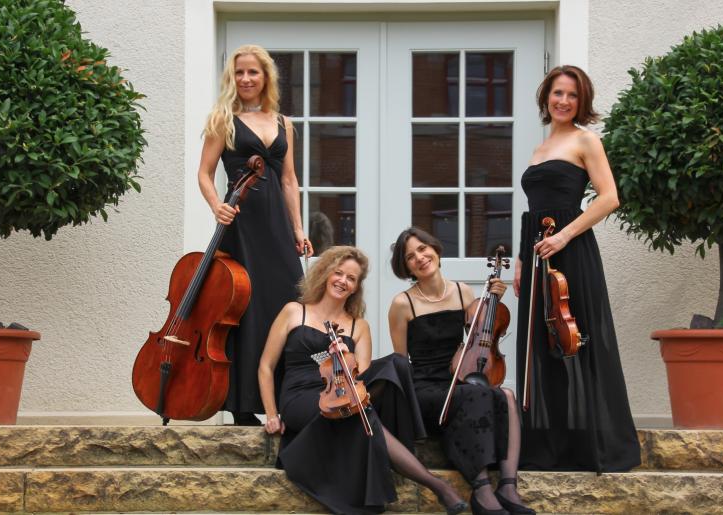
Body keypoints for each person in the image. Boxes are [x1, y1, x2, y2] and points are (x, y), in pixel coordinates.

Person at [259, 246, 467, 515]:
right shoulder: (294, 311)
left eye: (351, 278)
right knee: (360, 414)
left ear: (356, 287)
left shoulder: (358, 326)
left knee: (396, 364)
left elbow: (362, 381)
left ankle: (425, 466)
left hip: (342, 393)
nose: (343, 281)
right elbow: (266, 367)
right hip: (300, 397)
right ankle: (436, 485)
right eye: (339, 273)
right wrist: (271, 414)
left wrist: (345, 357)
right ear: (325, 274)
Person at [513, 65, 640, 472]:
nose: (564, 101)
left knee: (579, 339)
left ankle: (597, 446)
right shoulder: (542, 146)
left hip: (571, 251)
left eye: (572, 95)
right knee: (542, 343)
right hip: (538, 253)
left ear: (581, 101)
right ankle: (551, 445)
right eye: (558, 93)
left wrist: (564, 237)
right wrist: (521, 259)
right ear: (546, 96)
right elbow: (533, 213)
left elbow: (609, 198)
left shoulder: (586, 140)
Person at [197, 44, 312, 425]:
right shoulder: (223, 120)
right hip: (241, 224)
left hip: (277, 226)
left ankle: (290, 397)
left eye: (253, 72)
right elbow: (204, 173)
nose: (246, 79)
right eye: (240, 72)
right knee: (243, 308)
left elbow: (289, 179)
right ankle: (242, 407)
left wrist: (298, 228)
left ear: (265, 77)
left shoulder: (284, 123)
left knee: (288, 302)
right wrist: (216, 205)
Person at [389, 227, 534, 515]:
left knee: (505, 395)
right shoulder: (402, 304)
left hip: (458, 376)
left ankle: (508, 485)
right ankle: (481, 490)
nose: (420, 258)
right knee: (473, 396)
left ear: (435, 249)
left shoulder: (463, 291)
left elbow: (480, 336)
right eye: (410, 257)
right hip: (425, 387)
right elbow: (400, 362)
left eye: (422, 249)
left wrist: (492, 301)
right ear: (406, 268)